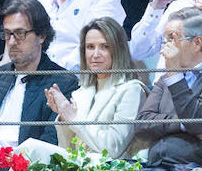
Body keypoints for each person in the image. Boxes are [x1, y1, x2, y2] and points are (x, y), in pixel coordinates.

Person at [0, 0, 78, 171]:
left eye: (20, 33)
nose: (12, 42)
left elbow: (48, 144)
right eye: (7, 34)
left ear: (41, 36)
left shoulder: (62, 82)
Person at [135, 8, 202, 170]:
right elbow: (141, 125)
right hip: (156, 165)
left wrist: (175, 76)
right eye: (165, 40)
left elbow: (198, 122)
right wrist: (181, 124)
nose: (165, 48)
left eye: (172, 39)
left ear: (197, 43)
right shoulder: (167, 79)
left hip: (196, 170)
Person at [48, 17, 146, 158]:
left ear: (118, 50)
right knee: (28, 151)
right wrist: (64, 117)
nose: (95, 55)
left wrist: (74, 119)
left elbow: (113, 148)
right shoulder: (80, 93)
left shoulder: (132, 90)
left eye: (105, 47)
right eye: (90, 47)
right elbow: (68, 150)